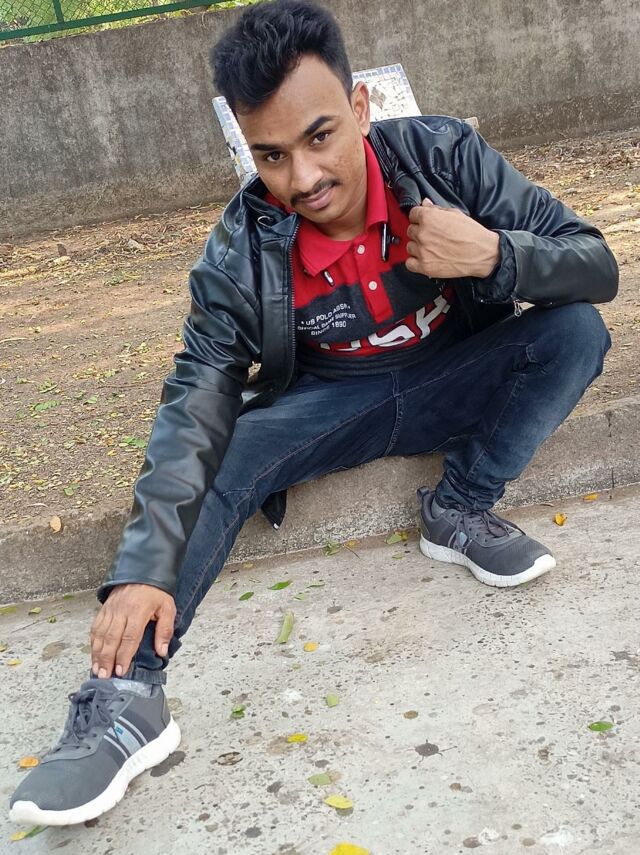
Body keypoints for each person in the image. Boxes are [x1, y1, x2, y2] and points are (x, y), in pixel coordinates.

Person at [10, 0, 617, 827]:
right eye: (271, 154)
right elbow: (196, 399)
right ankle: (127, 702)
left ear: (361, 107)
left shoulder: (446, 157)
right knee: (223, 455)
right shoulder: (239, 248)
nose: (301, 179)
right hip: (332, 401)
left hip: (452, 374)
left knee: (574, 330)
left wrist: (496, 255)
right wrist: (145, 566)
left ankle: (458, 507)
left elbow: (595, 263)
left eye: (320, 136)